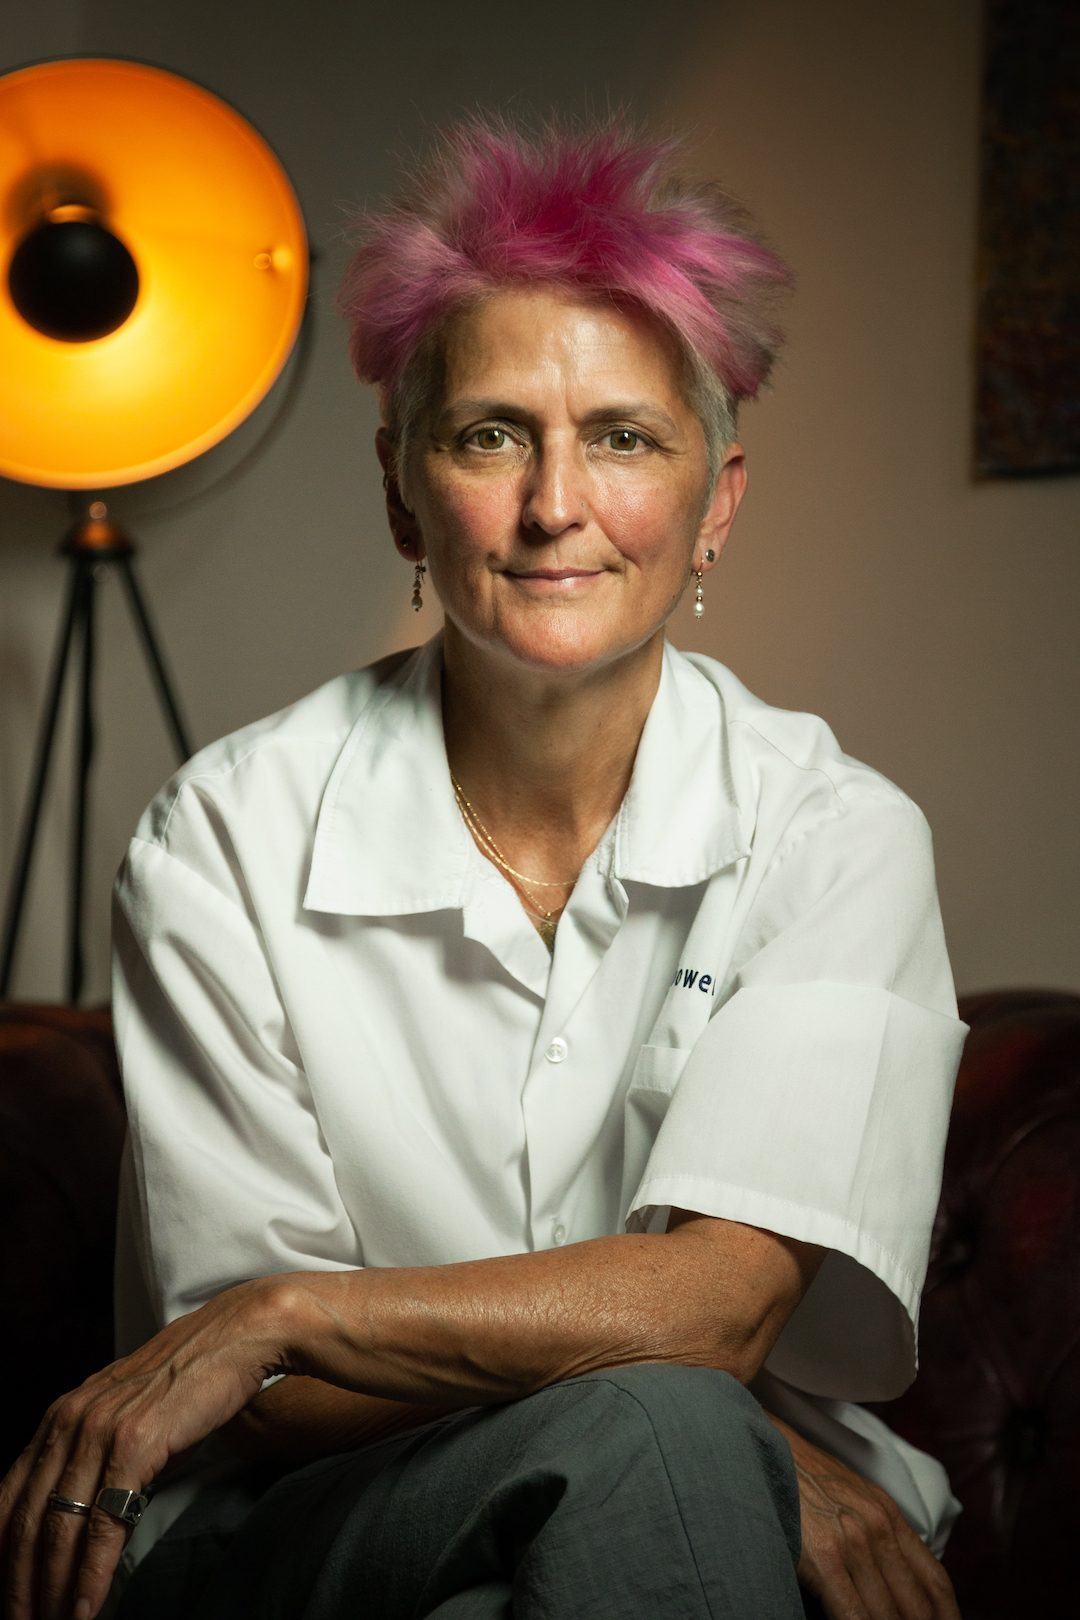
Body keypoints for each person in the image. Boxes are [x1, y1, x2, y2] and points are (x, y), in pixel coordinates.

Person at [0, 120, 966, 1620]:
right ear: (402, 492)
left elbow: (724, 1302)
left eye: (625, 438)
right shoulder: (223, 837)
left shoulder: (836, 835)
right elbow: (268, 1400)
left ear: (717, 502)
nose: (554, 504)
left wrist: (290, 1310)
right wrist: (732, 1438)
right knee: (672, 1435)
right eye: (490, 435)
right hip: (311, 1524)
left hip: (668, 1528)